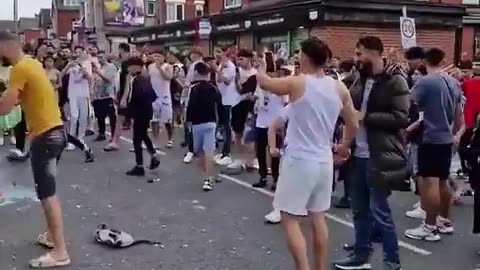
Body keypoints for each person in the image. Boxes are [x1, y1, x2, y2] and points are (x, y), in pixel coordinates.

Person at [257, 37, 358, 270]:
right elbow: (353, 123)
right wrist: (345, 145)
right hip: (324, 162)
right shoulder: (338, 86)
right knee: (318, 218)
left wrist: (262, 66)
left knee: (290, 218)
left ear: (305, 57)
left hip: (299, 160)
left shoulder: (298, 82)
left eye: (299, 53)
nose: (297, 58)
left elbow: (265, 84)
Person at [333, 36, 410, 270]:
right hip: (357, 156)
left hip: (380, 156)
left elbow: (402, 118)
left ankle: (391, 261)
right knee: (359, 211)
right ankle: (361, 256)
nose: (356, 58)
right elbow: (343, 101)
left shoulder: (395, 81)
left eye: (360, 54)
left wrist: (366, 117)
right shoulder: (358, 79)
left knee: (380, 213)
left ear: (376, 53)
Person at [0, 31, 70, 268]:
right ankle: (51, 237)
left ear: (5, 47)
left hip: (46, 136)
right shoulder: (32, 63)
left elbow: (5, 108)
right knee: (48, 190)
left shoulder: (19, 67)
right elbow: (25, 97)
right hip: (57, 132)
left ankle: (60, 252)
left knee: (47, 194)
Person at [405, 48, 465, 242]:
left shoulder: (426, 82)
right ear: (443, 59)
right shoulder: (453, 81)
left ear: (424, 61)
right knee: (442, 180)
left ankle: (429, 226)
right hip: (447, 137)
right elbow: (459, 115)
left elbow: (407, 102)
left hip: (431, 137)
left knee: (429, 182)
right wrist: (457, 134)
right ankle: (444, 220)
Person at [186, 62, 222, 191]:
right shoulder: (213, 87)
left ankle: (207, 176)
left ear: (195, 73)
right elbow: (219, 103)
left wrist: (188, 121)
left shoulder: (193, 88)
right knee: (208, 151)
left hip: (197, 123)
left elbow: (189, 106)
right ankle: (208, 177)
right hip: (211, 122)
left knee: (200, 150)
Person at [125, 56, 161, 176]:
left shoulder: (137, 80)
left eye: (130, 66)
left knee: (137, 139)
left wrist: (130, 112)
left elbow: (137, 97)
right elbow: (153, 95)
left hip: (140, 112)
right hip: (145, 112)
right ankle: (154, 154)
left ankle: (139, 165)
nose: (128, 68)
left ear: (136, 67)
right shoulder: (143, 78)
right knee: (143, 135)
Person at [148, 50, 174, 148]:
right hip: (154, 96)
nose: (157, 58)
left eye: (159, 56)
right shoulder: (150, 66)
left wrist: (160, 68)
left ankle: (170, 138)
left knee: (167, 119)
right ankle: (155, 140)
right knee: (154, 119)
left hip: (165, 96)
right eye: (155, 56)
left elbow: (168, 77)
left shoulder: (168, 66)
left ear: (164, 57)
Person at [92, 50, 117, 142]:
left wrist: (98, 73)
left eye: (101, 57)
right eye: (98, 57)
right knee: (99, 116)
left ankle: (114, 135)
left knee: (111, 116)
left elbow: (109, 80)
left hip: (108, 95)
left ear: (106, 57)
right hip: (98, 95)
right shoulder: (99, 67)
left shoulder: (110, 67)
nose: (100, 59)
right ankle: (101, 133)